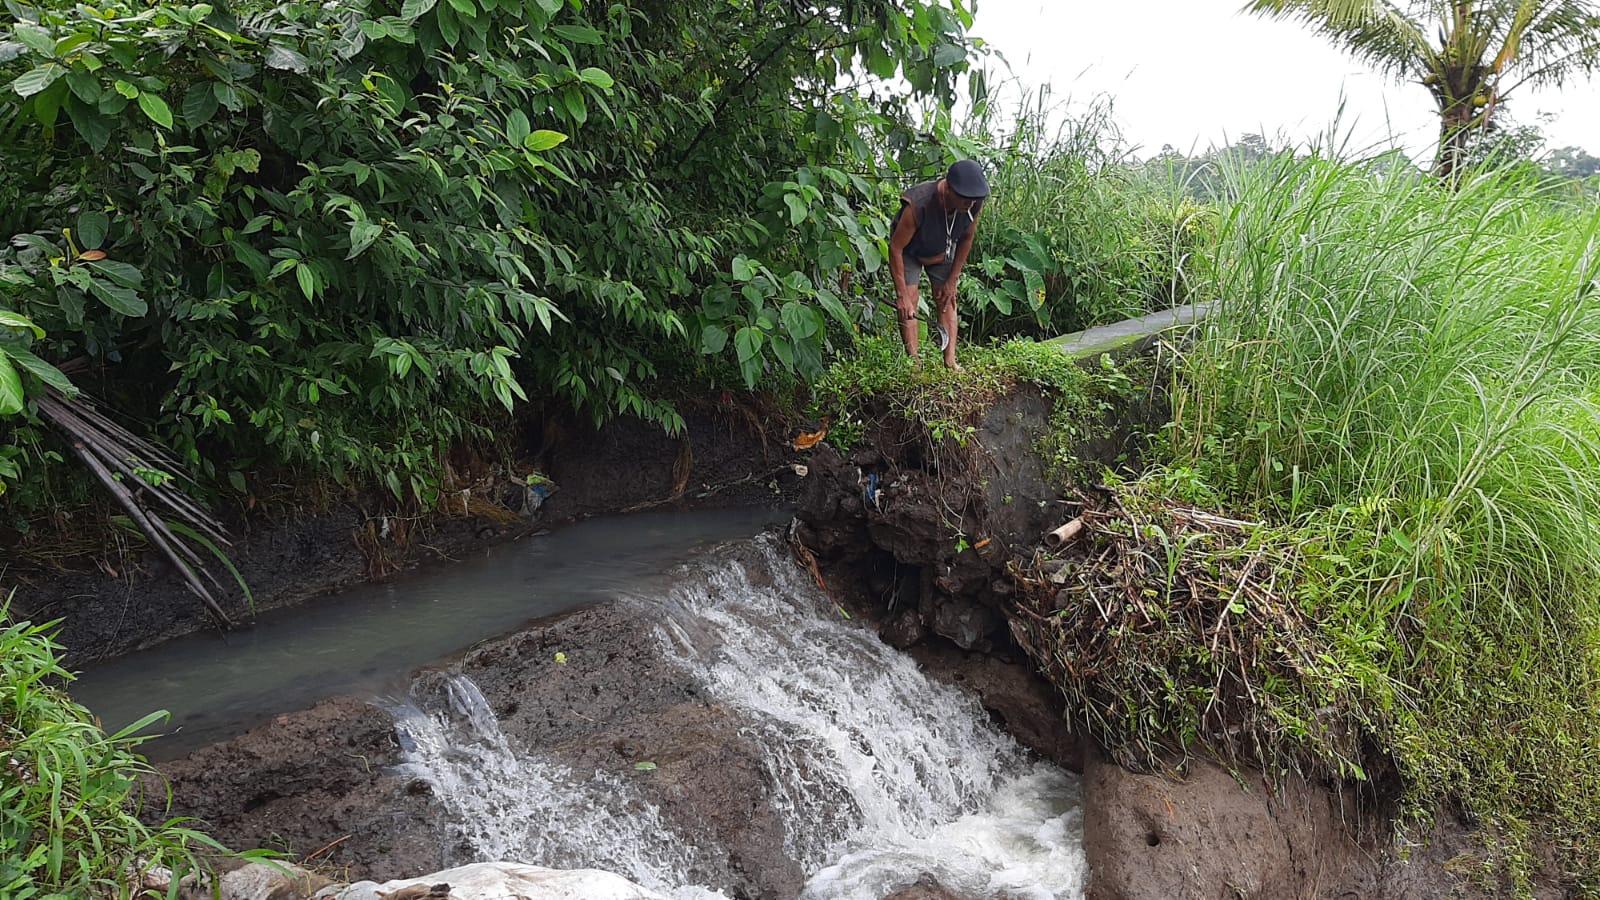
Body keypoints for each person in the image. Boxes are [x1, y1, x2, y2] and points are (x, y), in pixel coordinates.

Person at [887, 159, 989, 369]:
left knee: (947, 298)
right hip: (909, 251)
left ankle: (950, 361)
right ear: (948, 189)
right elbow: (896, 248)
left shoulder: (973, 203)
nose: (969, 204)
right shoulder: (919, 204)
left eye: (973, 199)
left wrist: (952, 279)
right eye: (964, 199)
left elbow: (967, 239)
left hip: (942, 247)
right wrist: (902, 295)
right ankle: (914, 363)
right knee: (910, 301)